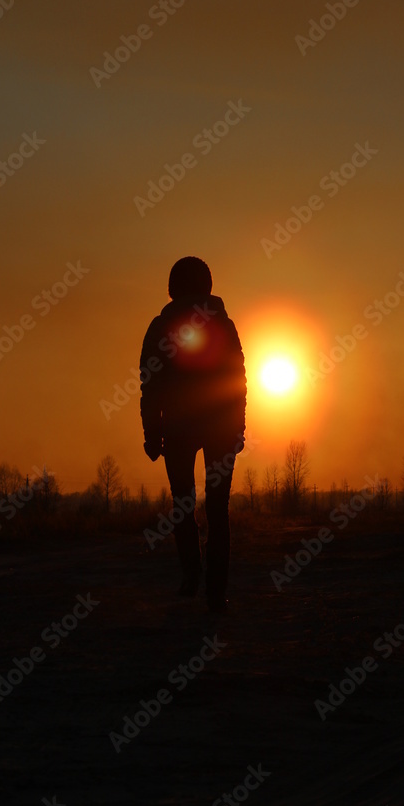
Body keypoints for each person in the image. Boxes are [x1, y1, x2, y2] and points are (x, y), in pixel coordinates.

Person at [139, 257, 246, 612]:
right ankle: (215, 591)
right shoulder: (224, 324)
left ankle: (191, 575)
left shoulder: (160, 326)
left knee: (184, 505)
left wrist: (153, 434)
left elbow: (150, 386)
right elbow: (238, 380)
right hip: (219, 426)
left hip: (181, 427)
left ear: (173, 287)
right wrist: (238, 427)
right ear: (207, 285)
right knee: (218, 511)